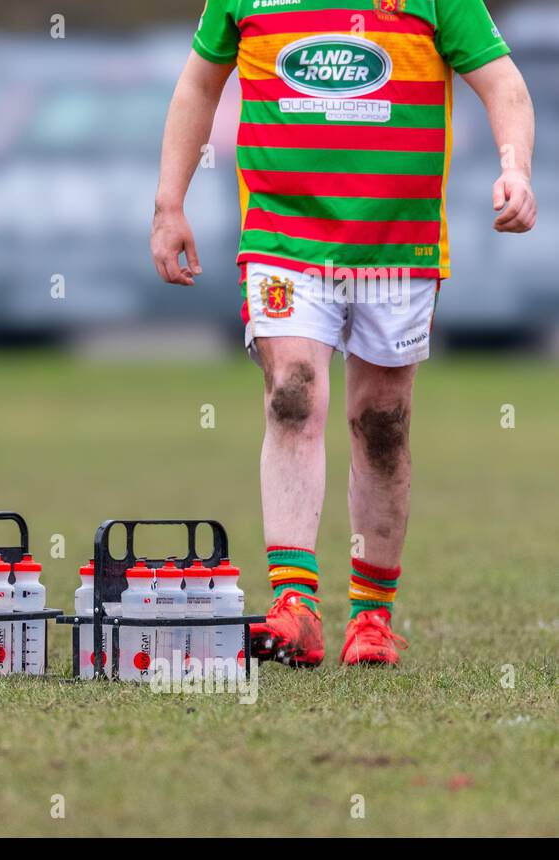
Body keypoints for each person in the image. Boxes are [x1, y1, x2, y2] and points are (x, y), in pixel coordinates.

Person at [152, 0, 537, 666]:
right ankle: (294, 605)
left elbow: (503, 82)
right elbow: (199, 82)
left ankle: (371, 616)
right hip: (285, 237)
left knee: (381, 421)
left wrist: (515, 167)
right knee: (292, 395)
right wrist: (168, 201)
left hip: (397, 243)